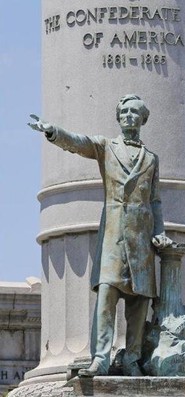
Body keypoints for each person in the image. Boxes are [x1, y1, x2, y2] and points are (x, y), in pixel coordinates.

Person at [28, 94, 172, 377]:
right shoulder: (107, 147)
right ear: (118, 118)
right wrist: (54, 132)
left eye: (134, 112)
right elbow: (80, 143)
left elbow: (155, 201)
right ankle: (101, 358)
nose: (129, 116)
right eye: (125, 112)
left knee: (140, 301)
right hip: (115, 234)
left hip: (142, 238)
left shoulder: (151, 159)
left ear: (143, 120)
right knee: (107, 293)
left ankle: (132, 359)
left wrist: (160, 232)